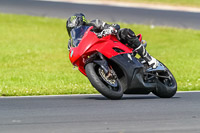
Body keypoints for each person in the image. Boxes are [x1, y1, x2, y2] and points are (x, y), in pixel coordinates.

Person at [66, 13, 158, 68]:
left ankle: (149, 58)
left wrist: (110, 29)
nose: (78, 32)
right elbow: (73, 51)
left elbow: (112, 25)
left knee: (125, 32)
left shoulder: (94, 24)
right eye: (74, 31)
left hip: (112, 42)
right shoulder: (73, 41)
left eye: (79, 29)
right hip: (97, 51)